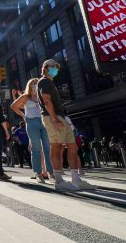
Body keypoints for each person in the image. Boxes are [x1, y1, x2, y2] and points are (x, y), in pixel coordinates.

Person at [36, 59, 94, 191]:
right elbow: (46, 100)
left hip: (60, 117)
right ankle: (59, 180)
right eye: (53, 67)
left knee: (72, 146)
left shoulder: (50, 82)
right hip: (52, 117)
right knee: (56, 146)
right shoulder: (44, 81)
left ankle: (75, 179)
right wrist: (55, 119)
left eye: (56, 67)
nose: (55, 69)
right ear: (45, 68)